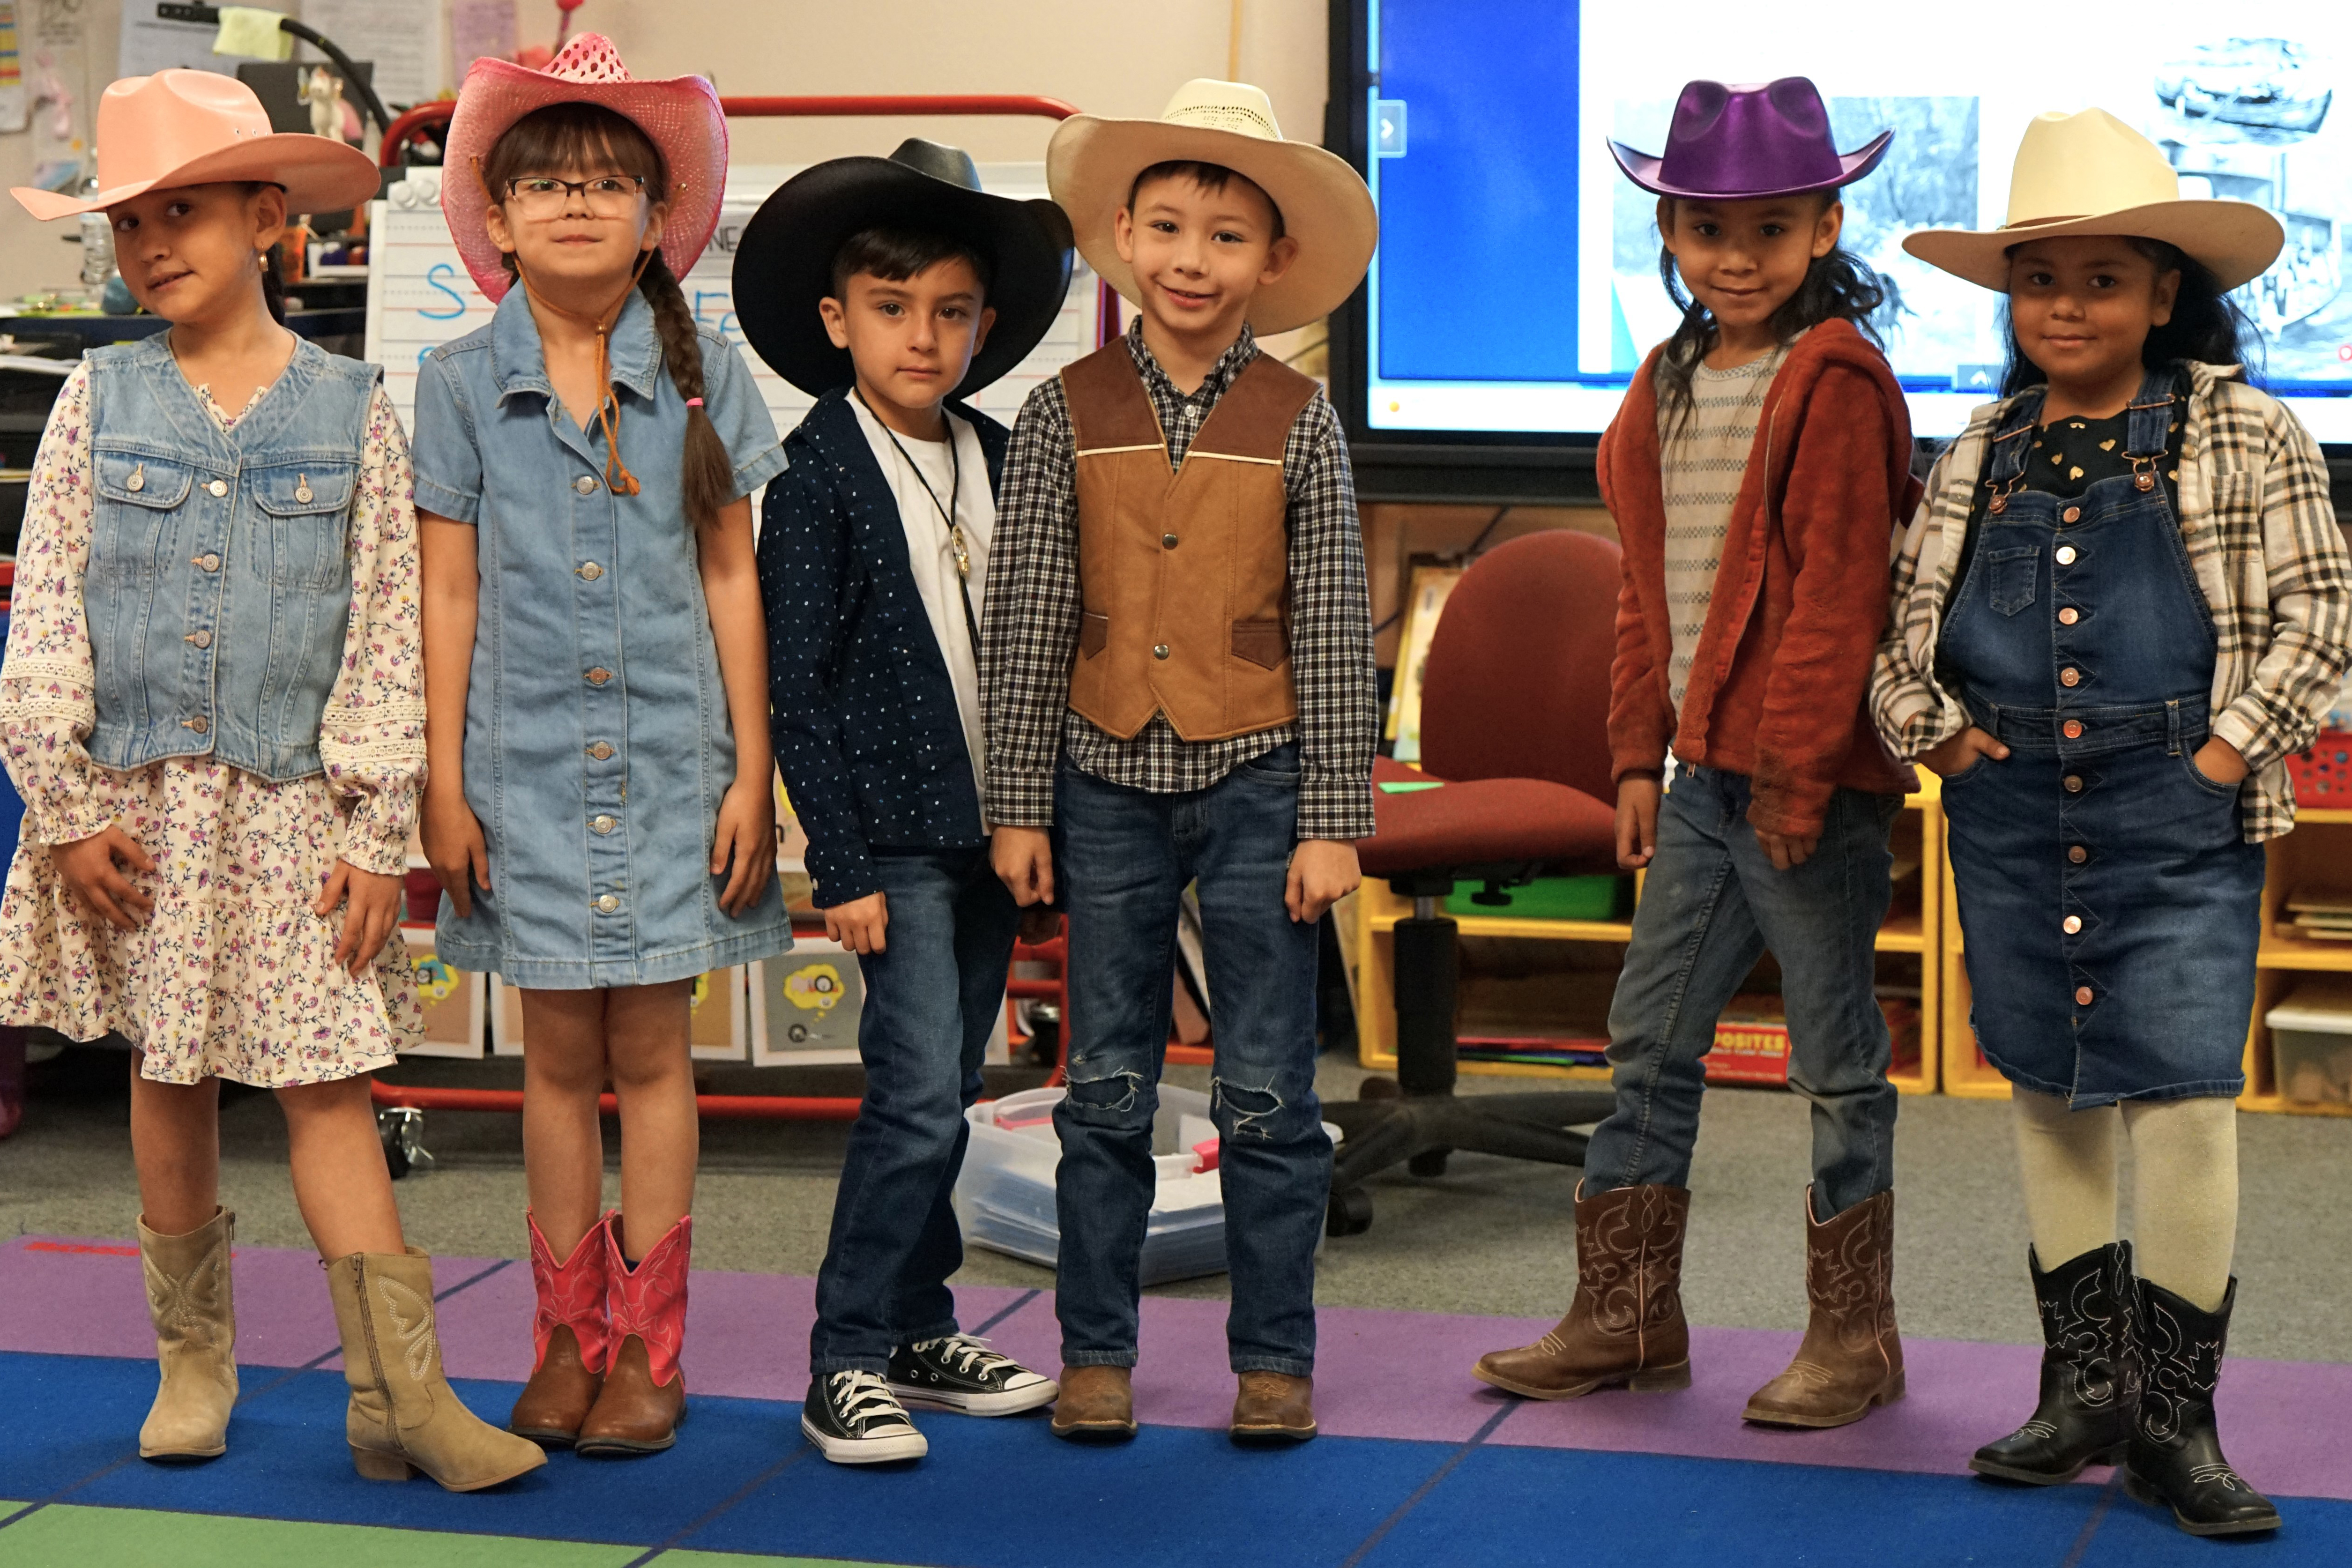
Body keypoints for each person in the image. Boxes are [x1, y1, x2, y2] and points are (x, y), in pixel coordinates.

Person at [0, 70, 543, 1490]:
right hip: (136, 814)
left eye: (184, 212)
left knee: (327, 1085)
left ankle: (400, 1395)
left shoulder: (358, 409)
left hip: (298, 812)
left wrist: (376, 829)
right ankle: (193, 1358)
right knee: (162, 1081)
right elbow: (47, 613)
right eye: (130, 225)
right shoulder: (93, 398)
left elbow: (383, 632)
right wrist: (62, 813)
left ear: (269, 219)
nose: (154, 246)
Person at [1875, 108, 2352, 1537]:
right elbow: (1901, 639)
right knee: (2046, 1086)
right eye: (2039, 279)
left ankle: (2173, 1420)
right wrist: (1942, 739)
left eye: (2100, 278)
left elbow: (2321, 616)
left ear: (2163, 293)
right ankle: (2080, 1390)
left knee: (2186, 1100)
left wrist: (2214, 760)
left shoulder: (2241, 428)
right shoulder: (1981, 446)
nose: (2065, 306)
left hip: (2175, 814)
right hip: (2008, 810)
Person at [1473, 79, 1919, 1430]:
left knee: (1834, 1062)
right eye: (1706, 228)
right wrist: (1629, 759)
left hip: (1802, 788)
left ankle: (1856, 1337)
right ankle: (1626, 1316)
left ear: (1824, 226)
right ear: (1667, 232)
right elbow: (1643, 591)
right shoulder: (1665, 380)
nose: (1735, 256)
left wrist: (1789, 772)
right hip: (1696, 783)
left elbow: (1838, 596)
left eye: (1770, 229)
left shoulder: (1831, 378)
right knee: (1646, 1045)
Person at [983, 79, 1379, 1446]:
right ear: (1121, 236)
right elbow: (1028, 616)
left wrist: (1335, 815)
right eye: (1165, 226)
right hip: (1099, 781)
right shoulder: (1060, 410)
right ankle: (1095, 1349)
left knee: (1269, 1087)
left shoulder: (1301, 420)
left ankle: (1273, 1357)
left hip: (1262, 778)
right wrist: (1015, 803)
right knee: (1104, 1082)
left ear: (1271, 261)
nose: (1190, 259)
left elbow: (1334, 627)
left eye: (1224, 236)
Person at [413, 35, 791, 1458]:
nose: (577, 203)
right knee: (552, 1061)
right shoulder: (455, 384)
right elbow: (445, 589)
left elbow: (730, 579)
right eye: (546, 183)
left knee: (656, 1057)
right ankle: (561, 1337)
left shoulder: (709, 379)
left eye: (609, 182)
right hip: (516, 778)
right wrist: (441, 780)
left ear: (657, 219)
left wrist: (754, 768)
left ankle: (651, 1344)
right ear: (497, 223)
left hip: (673, 771)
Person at [736, 139, 1074, 1463]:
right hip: (894, 846)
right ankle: (844, 1352)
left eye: (949, 311)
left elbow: (1038, 640)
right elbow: (794, 690)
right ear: (837, 322)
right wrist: (846, 863)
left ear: (985, 325)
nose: (922, 337)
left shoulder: (998, 451)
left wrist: (1037, 809)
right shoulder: (813, 476)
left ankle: (921, 1318)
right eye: (892, 310)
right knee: (915, 1096)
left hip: (995, 829)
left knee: (953, 1077)